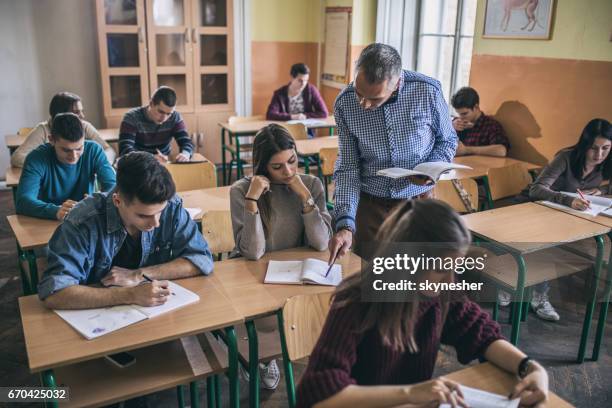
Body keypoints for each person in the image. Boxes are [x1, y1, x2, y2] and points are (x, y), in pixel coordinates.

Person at [296, 200, 550, 408]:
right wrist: (408, 393)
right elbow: (319, 396)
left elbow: (481, 334)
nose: (451, 280)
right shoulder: (357, 302)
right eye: (441, 269)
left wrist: (531, 368)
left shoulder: (439, 291)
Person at [329, 43, 457, 262]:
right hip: (370, 205)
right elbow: (348, 167)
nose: (364, 104)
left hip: (418, 200)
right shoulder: (345, 103)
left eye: (375, 99)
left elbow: (447, 140)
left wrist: (431, 168)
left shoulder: (427, 91)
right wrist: (345, 224)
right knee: (372, 278)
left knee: (415, 276)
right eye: (359, 94)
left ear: (397, 84)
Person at [38, 151, 213, 309]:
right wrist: (129, 295)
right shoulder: (82, 221)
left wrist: (139, 275)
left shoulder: (171, 203)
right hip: (98, 316)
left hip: (149, 311)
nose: (156, 223)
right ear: (117, 201)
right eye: (143, 216)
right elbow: (54, 293)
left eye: (160, 212)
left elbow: (201, 259)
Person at [230, 123, 332, 389]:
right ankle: (265, 356)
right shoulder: (242, 190)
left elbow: (321, 243)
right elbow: (253, 252)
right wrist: (252, 200)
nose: (288, 172)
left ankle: (282, 350)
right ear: (262, 166)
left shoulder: (310, 184)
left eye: (292, 161)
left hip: (296, 273)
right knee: (264, 327)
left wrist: (305, 198)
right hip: (255, 274)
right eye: (277, 167)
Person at [500, 118, 612, 321]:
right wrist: (568, 200)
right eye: (594, 148)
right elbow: (537, 189)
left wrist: (600, 190)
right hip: (531, 209)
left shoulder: (605, 164)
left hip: (561, 216)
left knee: (562, 242)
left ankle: (529, 290)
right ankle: (525, 290)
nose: (599, 155)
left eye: (606, 149)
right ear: (584, 145)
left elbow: (607, 188)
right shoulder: (566, 157)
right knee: (546, 244)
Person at [16, 113, 116, 220]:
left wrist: (100, 199)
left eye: (79, 149)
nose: (73, 156)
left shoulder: (94, 150)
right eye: (66, 150)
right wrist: (55, 211)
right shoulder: (36, 158)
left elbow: (114, 187)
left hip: (85, 218)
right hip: (47, 220)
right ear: (51, 140)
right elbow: (23, 201)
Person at [11, 92, 116, 167]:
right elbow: (17, 157)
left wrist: (101, 162)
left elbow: (109, 150)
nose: (82, 116)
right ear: (61, 115)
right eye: (76, 112)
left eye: (82, 111)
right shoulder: (43, 130)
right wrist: (51, 164)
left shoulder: (84, 126)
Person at [119, 86, 193, 163]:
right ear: (151, 103)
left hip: (163, 164)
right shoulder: (132, 117)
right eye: (161, 112)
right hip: (138, 164)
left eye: (168, 114)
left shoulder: (175, 116)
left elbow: (186, 142)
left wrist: (185, 154)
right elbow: (125, 149)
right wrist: (150, 158)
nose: (164, 118)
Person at [451, 87, 510, 157]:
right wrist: (451, 127)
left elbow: (501, 151)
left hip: (478, 166)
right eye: (458, 113)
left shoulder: (491, 125)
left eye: (464, 114)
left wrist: (467, 150)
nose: (460, 117)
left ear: (476, 107)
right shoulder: (456, 122)